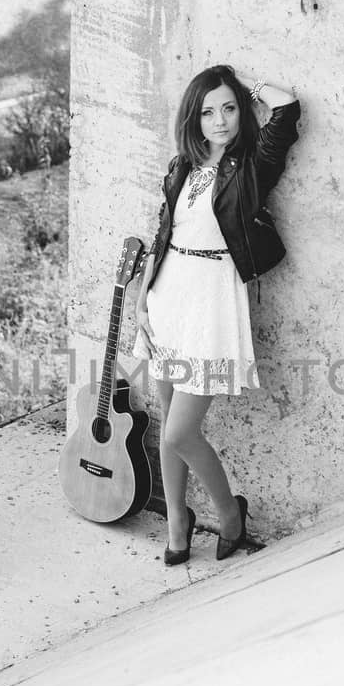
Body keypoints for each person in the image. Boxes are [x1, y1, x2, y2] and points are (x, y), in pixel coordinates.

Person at [132, 66, 301, 566]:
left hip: (211, 300)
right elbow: (162, 233)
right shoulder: (182, 166)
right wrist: (142, 297)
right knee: (167, 423)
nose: (219, 120)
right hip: (168, 296)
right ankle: (179, 524)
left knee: (180, 432)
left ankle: (230, 515)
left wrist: (241, 81)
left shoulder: (250, 165)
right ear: (194, 118)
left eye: (228, 108)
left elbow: (287, 107)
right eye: (207, 111)